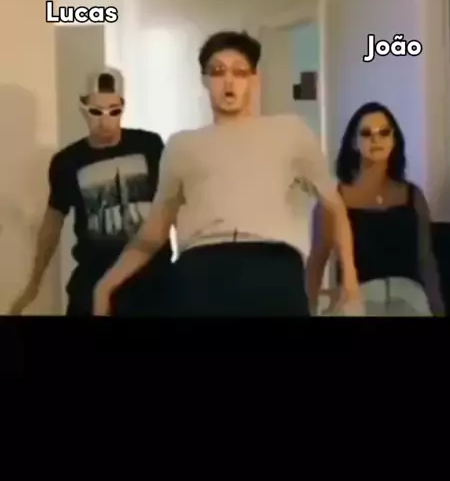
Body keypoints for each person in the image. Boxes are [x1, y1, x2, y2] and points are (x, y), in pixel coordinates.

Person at [92, 31, 360, 317]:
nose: (229, 82)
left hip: (272, 268)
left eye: (240, 72)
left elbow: (333, 204)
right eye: (218, 72)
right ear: (204, 80)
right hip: (202, 270)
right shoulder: (182, 145)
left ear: (254, 79)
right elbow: (153, 232)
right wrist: (105, 286)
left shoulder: (290, 131)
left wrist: (350, 278)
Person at [9, 69, 173, 316]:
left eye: (114, 111)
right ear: (83, 109)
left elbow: (173, 202)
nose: (105, 121)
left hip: (152, 280)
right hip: (93, 276)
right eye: (96, 111)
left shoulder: (149, 145)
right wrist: (34, 282)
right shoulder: (67, 161)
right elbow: (53, 221)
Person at [308, 102, 445, 317]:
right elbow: (316, 262)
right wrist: (309, 308)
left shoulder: (412, 195)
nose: (376, 139)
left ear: (394, 139)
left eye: (384, 132)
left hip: (409, 299)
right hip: (359, 300)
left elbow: (426, 260)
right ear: (354, 142)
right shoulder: (335, 200)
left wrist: (438, 310)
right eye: (366, 133)